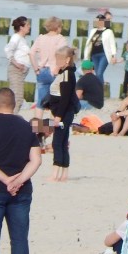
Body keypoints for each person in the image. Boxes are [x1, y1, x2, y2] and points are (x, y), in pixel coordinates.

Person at [0, 87, 42, 254]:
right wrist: (18, 181)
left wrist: (6, 180)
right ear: (14, 104)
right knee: (19, 240)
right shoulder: (27, 127)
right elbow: (36, 160)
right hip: (21, 190)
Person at [45, 47, 79, 182]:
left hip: (63, 113)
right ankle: (63, 173)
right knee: (63, 142)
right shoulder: (65, 72)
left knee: (57, 142)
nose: (57, 61)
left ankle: (56, 173)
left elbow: (65, 98)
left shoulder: (67, 74)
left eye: (59, 59)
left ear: (67, 60)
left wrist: (58, 116)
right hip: (63, 112)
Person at [29, 16, 67, 108]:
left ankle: (38, 122)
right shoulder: (60, 39)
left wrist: (36, 69)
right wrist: (57, 69)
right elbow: (62, 55)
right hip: (54, 71)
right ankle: (53, 122)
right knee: (56, 101)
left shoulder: (41, 38)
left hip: (41, 70)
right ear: (58, 27)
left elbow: (31, 53)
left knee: (41, 102)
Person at [4, 16, 32, 112]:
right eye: (27, 25)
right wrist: (16, 63)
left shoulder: (23, 39)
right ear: (21, 27)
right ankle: (11, 120)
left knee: (18, 98)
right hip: (16, 71)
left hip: (21, 73)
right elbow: (8, 49)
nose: (29, 27)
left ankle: (11, 118)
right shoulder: (16, 37)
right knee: (17, 98)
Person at [83, 13, 117, 84]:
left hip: (103, 54)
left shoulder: (109, 31)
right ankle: (99, 90)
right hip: (94, 54)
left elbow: (112, 44)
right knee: (97, 73)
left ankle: (100, 90)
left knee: (99, 73)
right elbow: (89, 43)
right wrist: (86, 56)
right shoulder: (93, 31)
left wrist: (113, 56)